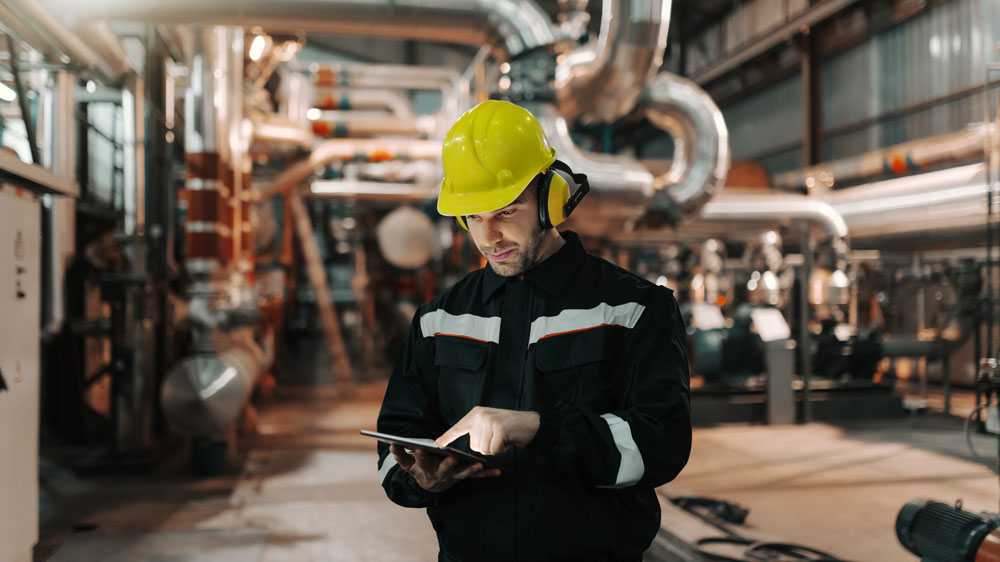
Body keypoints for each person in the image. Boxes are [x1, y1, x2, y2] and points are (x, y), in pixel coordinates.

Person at [376, 100, 691, 562]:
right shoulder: (438, 320)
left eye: (505, 211)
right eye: (473, 216)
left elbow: (661, 445)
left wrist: (536, 429)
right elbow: (393, 446)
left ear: (549, 198)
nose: (489, 238)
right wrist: (419, 477)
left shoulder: (633, 309)